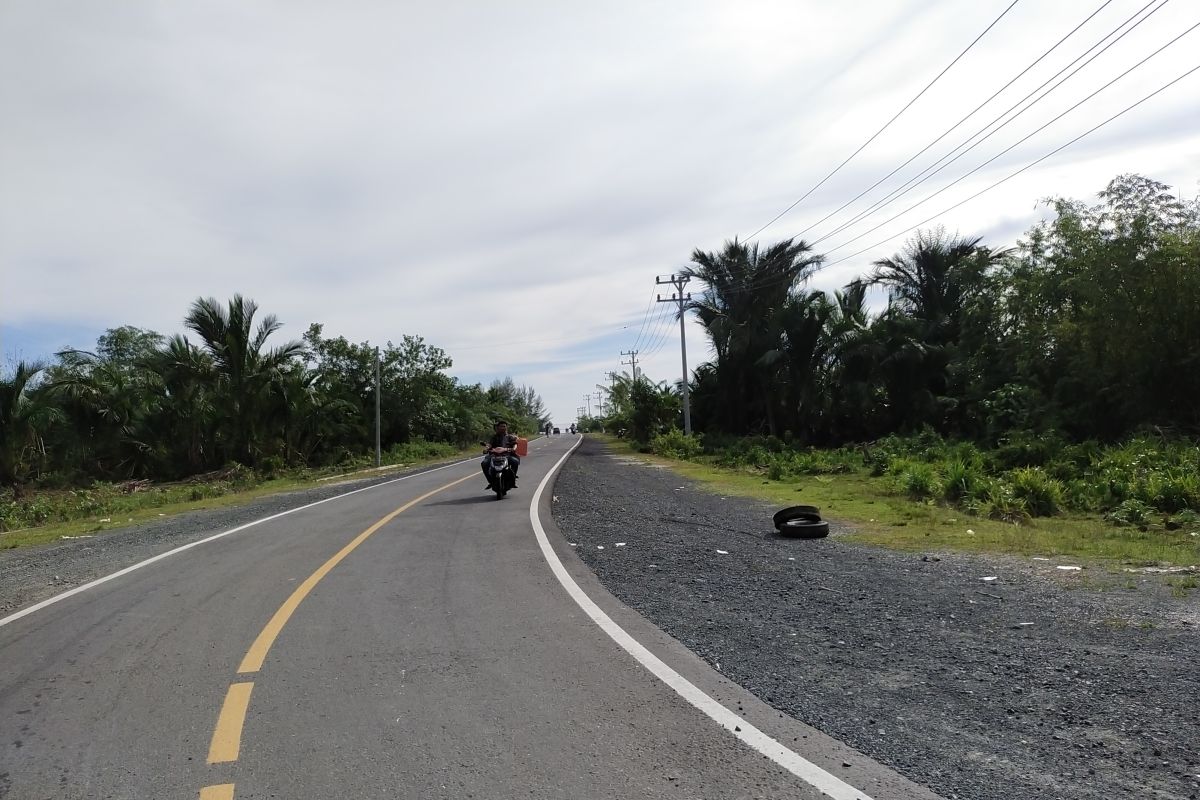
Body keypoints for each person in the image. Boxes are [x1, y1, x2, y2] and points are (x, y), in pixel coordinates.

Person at [482, 420, 520, 489]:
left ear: (506, 428)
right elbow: (489, 445)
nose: (503, 428)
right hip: (494, 455)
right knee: (484, 463)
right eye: (501, 426)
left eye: (504, 426)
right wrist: (486, 449)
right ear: (498, 428)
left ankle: (513, 479)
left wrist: (513, 449)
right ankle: (490, 481)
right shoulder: (494, 437)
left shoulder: (510, 437)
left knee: (515, 461)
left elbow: (515, 444)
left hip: (507, 455)